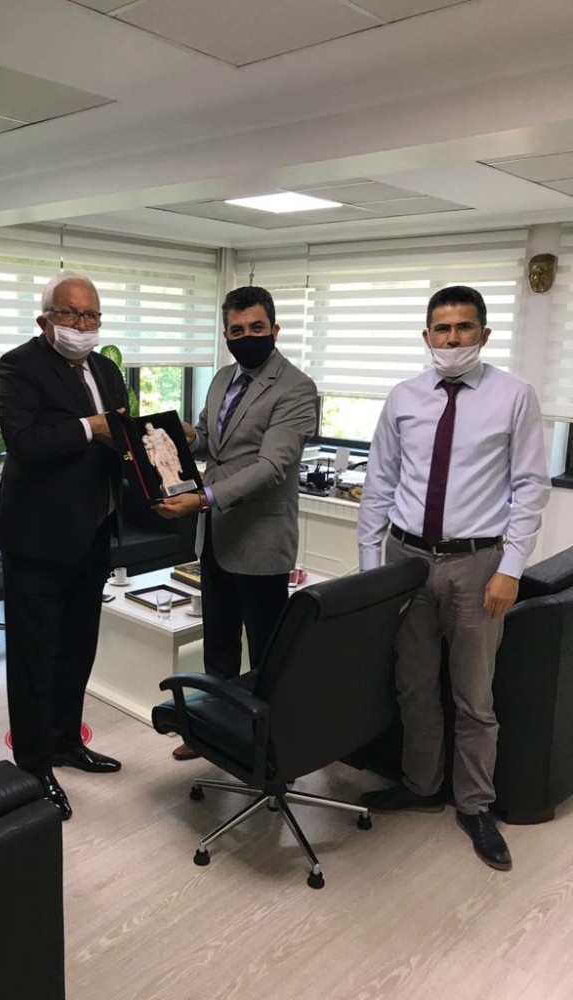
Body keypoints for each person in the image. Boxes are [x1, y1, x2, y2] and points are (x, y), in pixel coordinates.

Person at [357, 284, 550, 871]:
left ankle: (475, 805)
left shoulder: (514, 396)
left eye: (464, 327)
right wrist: (370, 571)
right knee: (413, 685)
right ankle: (421, 785)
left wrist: (510, 568)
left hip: (477, 564)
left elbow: (530, 487)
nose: (452, 339)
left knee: (474, 696)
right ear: (427, 336)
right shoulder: (404, 397)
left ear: (484, 334)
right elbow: (380, 482)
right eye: (442, 329)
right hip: (406, 560)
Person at [155, 285, 318, 759]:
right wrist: (182, 435)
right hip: (215, 536)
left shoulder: (296, 388)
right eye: (237, 330)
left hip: (261, 537)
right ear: (226, 334)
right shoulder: (223, 377)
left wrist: (203, 498)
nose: (246, 337)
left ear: (274, 329)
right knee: (219, 642)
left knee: (266, 650)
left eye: (256, 327)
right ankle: (210, 729)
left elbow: (271, 466)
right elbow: (211, 443)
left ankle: (269, 746)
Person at [0, 271, 126, 820]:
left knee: (77, 647)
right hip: (38, 541)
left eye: (91, 315)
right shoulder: (18, 366)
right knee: (34, 657)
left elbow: (121, 436)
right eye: (69, 313)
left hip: (94, 533)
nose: (81, 324)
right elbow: (25, 442)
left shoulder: (107, 370)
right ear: (44, 318)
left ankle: (67, 741)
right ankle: (33, 765)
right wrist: (90, 426)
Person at [142, 421, 183, 491]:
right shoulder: (146, 437)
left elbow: (168, 439)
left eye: (149, 427)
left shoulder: (160, 431)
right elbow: (146, 446)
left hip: (164, 449)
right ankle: (165, 481)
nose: (149, 428)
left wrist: (174, 448)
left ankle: (177, 479)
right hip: (157, 452)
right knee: (159, 466)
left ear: (152, 426)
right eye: (147, 428)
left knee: (171, 463)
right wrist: (147, 445)